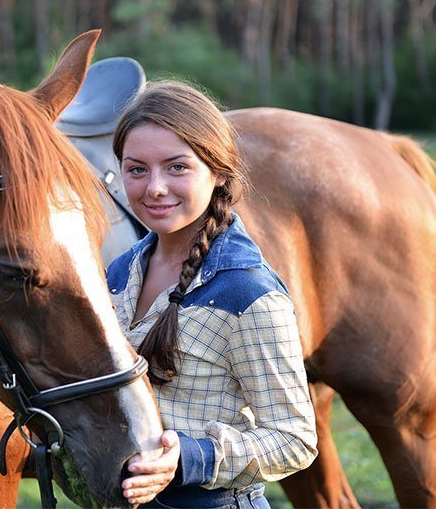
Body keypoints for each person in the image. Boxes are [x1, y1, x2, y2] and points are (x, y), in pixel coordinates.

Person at [107, 81, 318, 508]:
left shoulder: (245, 292)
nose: (155, 188)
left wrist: (190, 457)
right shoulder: (117, 275)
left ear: (219, 171)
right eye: (137, 169)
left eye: (177, 167)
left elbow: (295, 439)